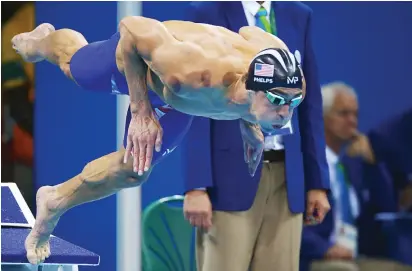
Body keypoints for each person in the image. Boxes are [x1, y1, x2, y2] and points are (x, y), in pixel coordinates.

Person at [12, 16, 306, 264]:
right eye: (277, 101)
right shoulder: (191, 72)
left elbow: (250, 32)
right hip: (140, 63)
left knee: (134, 171)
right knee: (72, 65)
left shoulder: (286, 74)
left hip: (178, 100)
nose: (285, 113)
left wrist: (250, 121)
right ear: (253, 89)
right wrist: (140, 111)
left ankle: (53, 201)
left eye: (293, 103)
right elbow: (132, 26)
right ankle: (39, 42)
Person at [183, 2, 330, 271]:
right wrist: (197, 185)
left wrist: (317, 182)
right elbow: (195, 103)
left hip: (288, 176)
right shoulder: (208, 12)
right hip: (228, 178)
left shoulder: (298, 15)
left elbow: (310, 106)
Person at [300, 82, 410, 271]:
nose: (352, 121)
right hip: (317, 256)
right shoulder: (308, 165)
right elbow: (291, 223)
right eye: (343, 113)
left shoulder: (349, 167)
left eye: (355, 114)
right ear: (322, 117)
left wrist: (372, 163)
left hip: (353, 255)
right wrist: (325, 248)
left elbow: (386, 207)